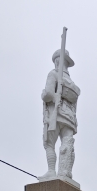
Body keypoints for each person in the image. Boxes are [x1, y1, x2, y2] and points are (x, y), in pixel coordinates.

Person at [39, 49, 80, 182]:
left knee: (49, 144)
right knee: (67, 144)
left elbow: (49, 94)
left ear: (57, 61)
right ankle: (66, 172)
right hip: (69, 119)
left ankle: (51, 171)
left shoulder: (53, 74)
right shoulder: (71, 82)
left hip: (55, 116)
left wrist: (43, 94)